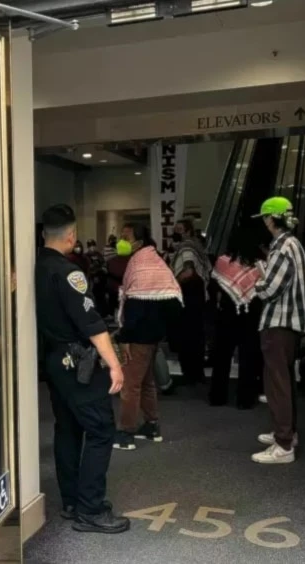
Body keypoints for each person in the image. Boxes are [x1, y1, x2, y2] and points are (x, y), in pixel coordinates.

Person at [35, 204, 130, 535]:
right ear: (71, 235)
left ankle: (73, 501)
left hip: (53, 362)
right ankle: (91, 509)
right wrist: (115, 365)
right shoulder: (68, 272)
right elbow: (91, 323)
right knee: (101, 428)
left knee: (68, 428)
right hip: (78, 363)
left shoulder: (34, 267)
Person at [251, 196, 305, 464]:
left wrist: (257, 281)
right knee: (285, 380)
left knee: (277, 383)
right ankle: (286, 433)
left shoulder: (282, 248)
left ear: (271, 219)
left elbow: (269, 289)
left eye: (265, 219)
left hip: (279, 322)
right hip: (290, 323)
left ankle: (283, 444)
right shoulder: (294, 245)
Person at [113, 223, 182, 451]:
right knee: (146, 382)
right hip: (154, 335)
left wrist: (124, 338)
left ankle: (126, 433)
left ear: (139, 242)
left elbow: (135, 307)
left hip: (138, 337)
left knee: (130, 385)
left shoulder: (140, 264)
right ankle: (152, 427)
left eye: (126, 236)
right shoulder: (156, 261)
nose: (121, 240)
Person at [208, 226, 265, 409]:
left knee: (222, 356)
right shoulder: (260, 264)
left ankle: (217, 397)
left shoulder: (223, 262)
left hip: (226, 313)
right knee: (249, 356)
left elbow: (214, 287)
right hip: (251, 315)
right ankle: (245, 399)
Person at [169, 218, 212, 386]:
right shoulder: (196, 246)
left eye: (179, 229)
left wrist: (174, 284)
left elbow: (188, 271)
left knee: (187, 335)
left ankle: (190, 373)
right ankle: (196, 372)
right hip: (198, 295)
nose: (176, 233)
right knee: (196, 334)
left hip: (189, 294)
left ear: (187, 231)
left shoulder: (186, 247)